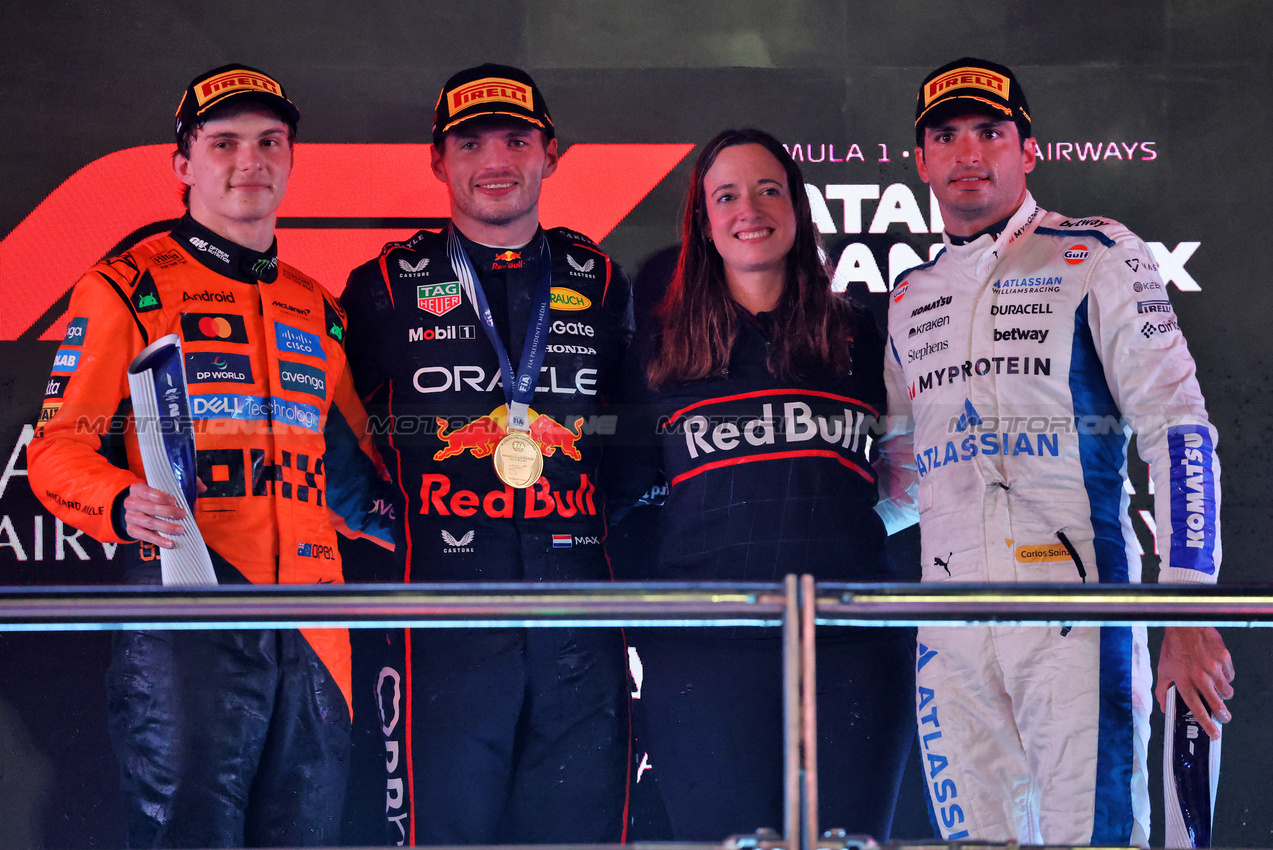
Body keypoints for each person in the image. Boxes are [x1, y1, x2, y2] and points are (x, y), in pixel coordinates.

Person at [27, 63, 394, 847]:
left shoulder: (318, 309)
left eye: (270, 141)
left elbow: (355, 478)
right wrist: (119, 503)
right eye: (223, 141)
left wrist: (430, 516)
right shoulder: (126, 287)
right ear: (183, 165)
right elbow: (57, 450)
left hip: (314, 624)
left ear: (291, 159)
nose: (249, 160)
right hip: (187, 603)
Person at [877, 57, 1235, 845]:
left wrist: (1186, 607)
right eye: (946, 136)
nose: (968, 152)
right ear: (922, 162)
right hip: (947, 626)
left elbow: (1178, 430)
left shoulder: (1096, 253)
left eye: (990, 132)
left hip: (1074, 609)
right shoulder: (909, 298)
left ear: (1027, 150)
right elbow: (899, 480)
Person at [340, 64, 632, 845]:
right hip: (443, 612)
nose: (494, 160)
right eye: (469, 142)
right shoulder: (383, 283)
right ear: (439, 161)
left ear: (551, 153)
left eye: (515, 139)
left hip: (576, 608)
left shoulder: (596, 275)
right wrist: (370, 511)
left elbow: (631, 432)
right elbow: (329, 421)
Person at [611, 128, 914, 841]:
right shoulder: (655, 351)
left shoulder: (861, 338)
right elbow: (620, 502)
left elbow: (908, 481)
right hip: (706, 651)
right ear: (703, 220)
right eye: (726, 195)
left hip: (850, 642)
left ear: (797, 210)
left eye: (768, 189)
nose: (749, 208)